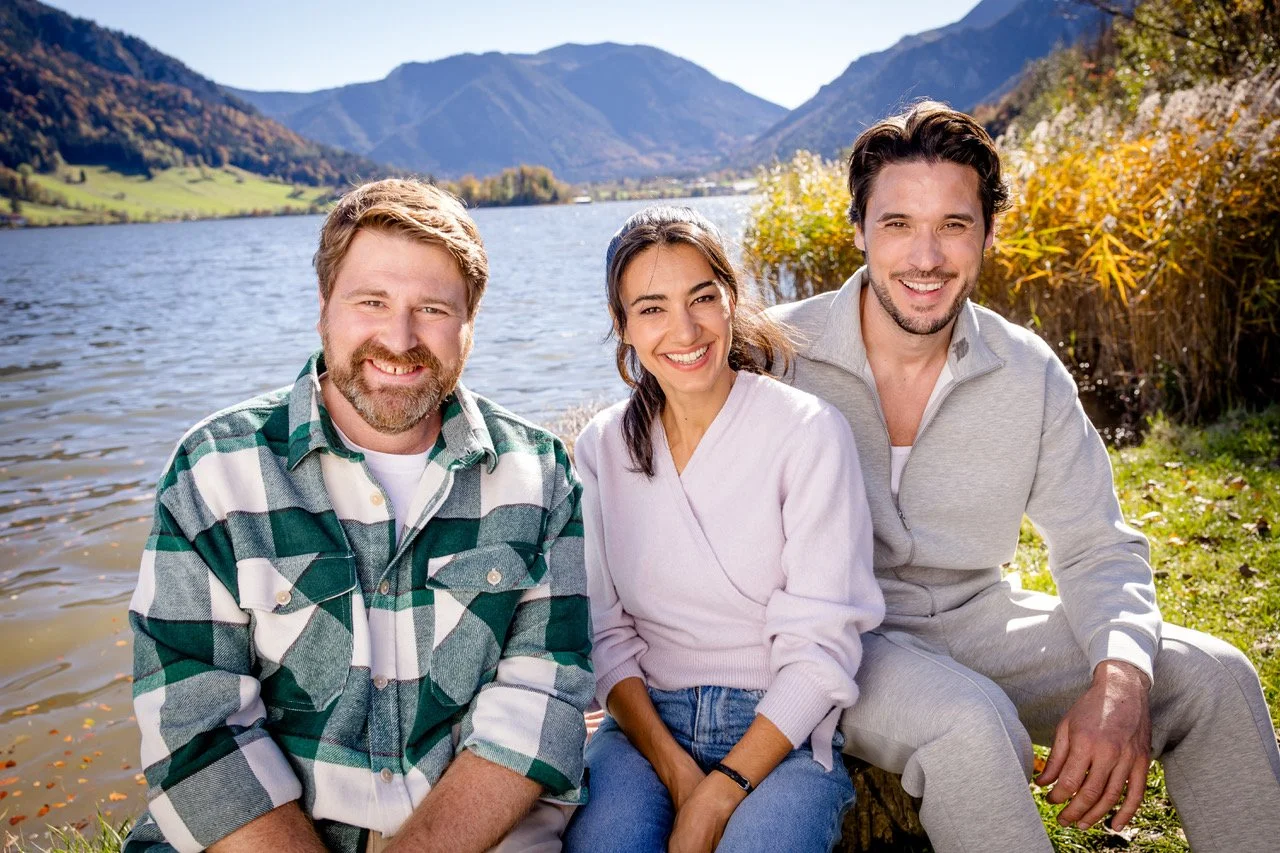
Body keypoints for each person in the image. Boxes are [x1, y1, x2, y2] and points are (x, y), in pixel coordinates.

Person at [769, 101, 1280, 852]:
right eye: (898, 223)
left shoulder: (1027, 369)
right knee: (968, 723)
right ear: (858, 230)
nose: (926, 257)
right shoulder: (774, 352)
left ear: (988, 234)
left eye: (954, 224)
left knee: (1216, 675)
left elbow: (1096, 546)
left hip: (981, 619)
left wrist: (1120, 677)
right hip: (841, 638)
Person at [123, 178, 594, 853]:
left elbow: (537, 707)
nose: (399, 339)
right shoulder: (214, 472)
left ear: (470, 324)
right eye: (371, 301)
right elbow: (197, 726)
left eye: (431, 308)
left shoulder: (539, 475)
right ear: (323, 310)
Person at [563, 206, 885, 853]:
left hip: (781, 727)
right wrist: (679, 772)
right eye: (651, 308)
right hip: (644, 727)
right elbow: (605, 630)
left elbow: (821, 648)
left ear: (730, 299)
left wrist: (720, 791)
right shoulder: (601, 447)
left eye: (702, 297)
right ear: (622, 325)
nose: (684, 329)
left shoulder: (808, 432)